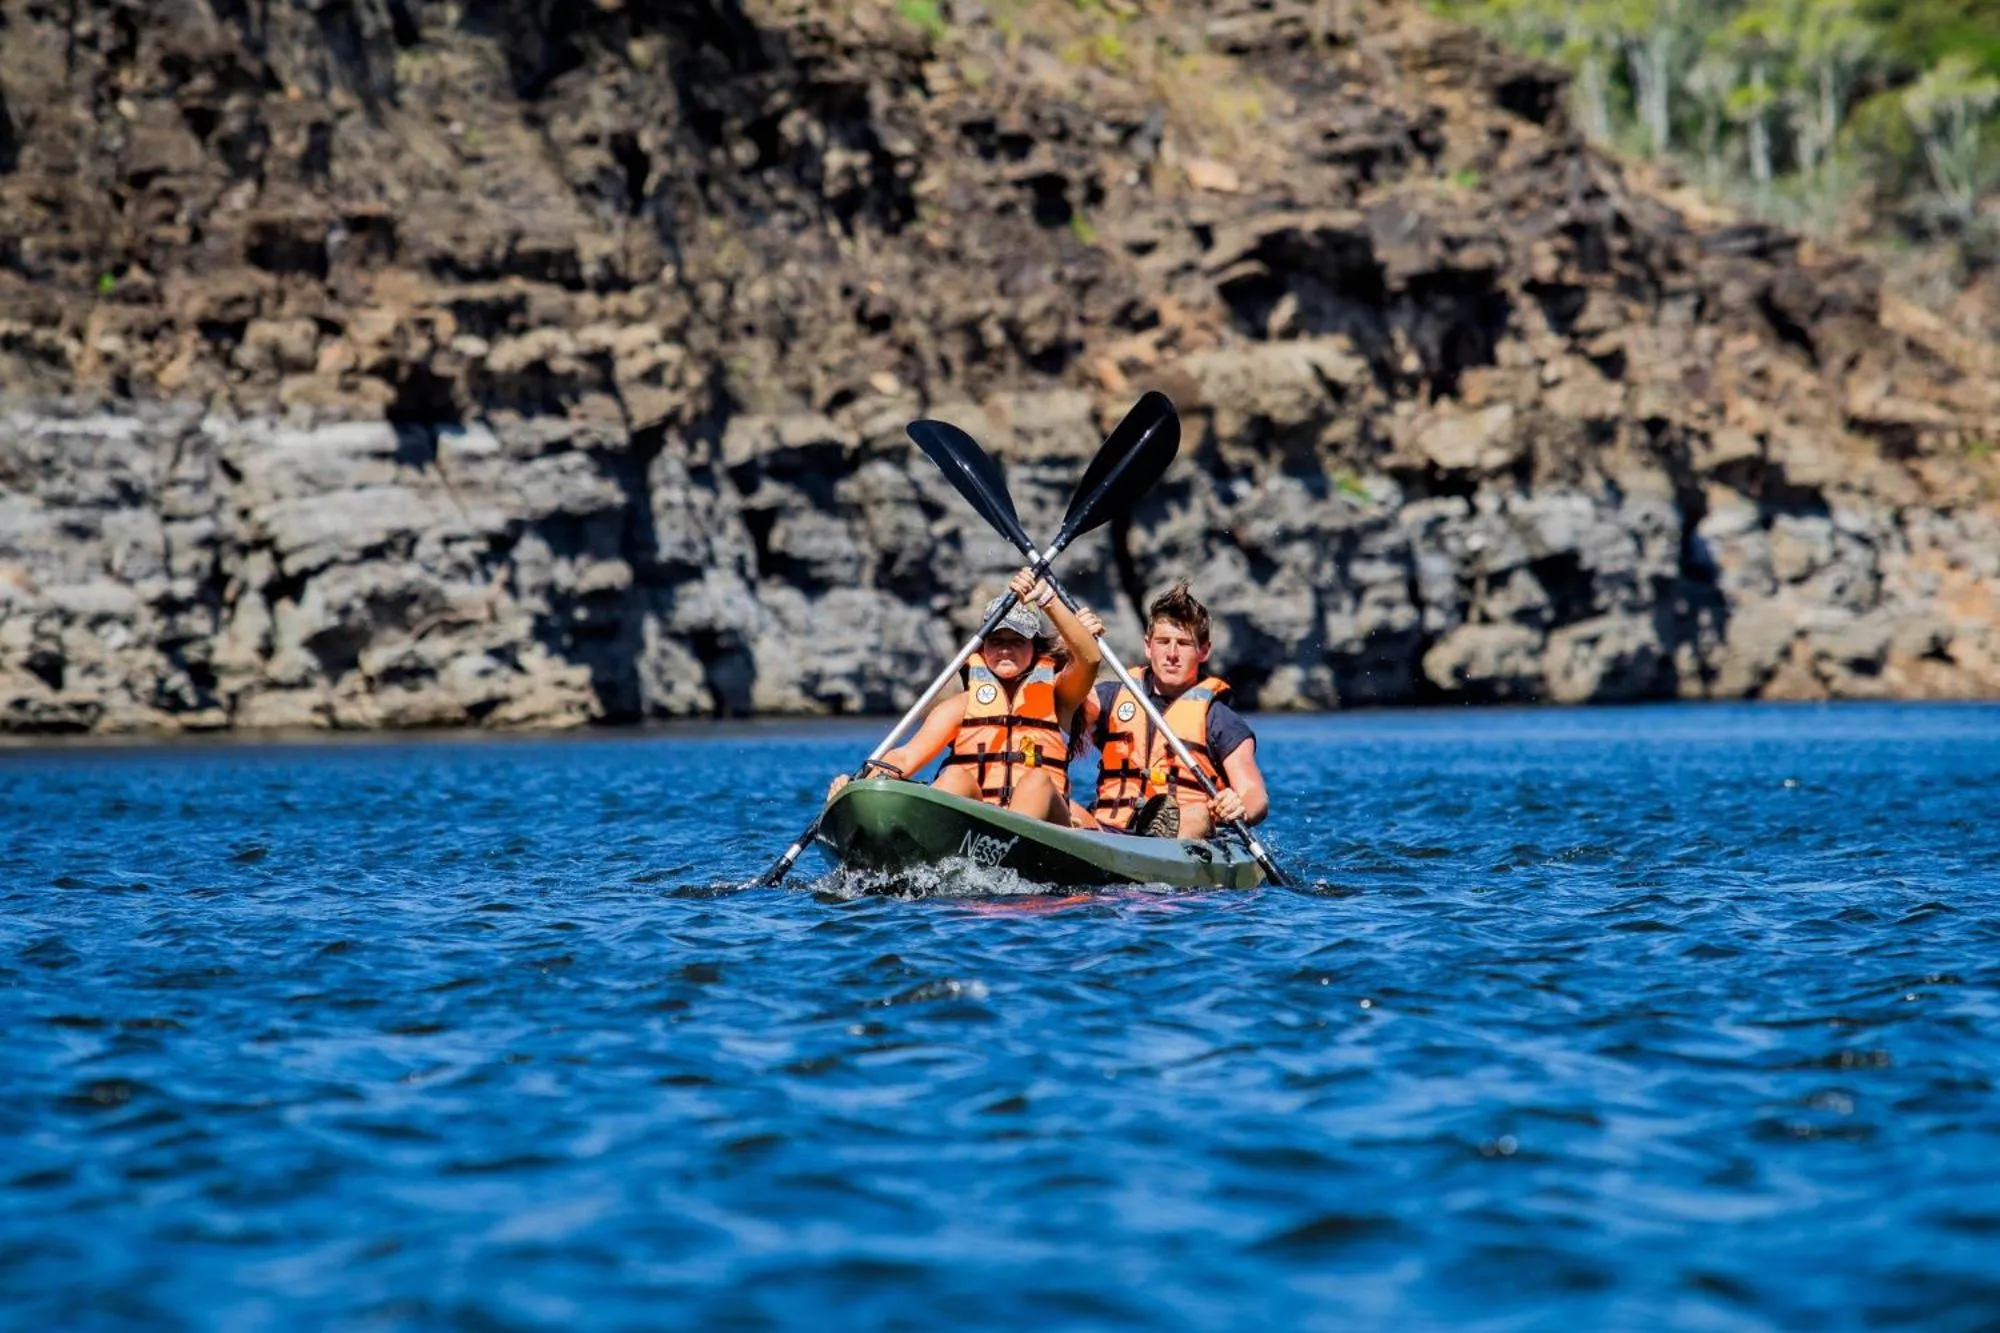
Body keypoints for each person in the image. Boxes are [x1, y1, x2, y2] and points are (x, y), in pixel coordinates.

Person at [827, 567, 1101, 824]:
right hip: (980, 829)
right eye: (996, 641)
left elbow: (1088, 660)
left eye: (1017, 640)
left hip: (1045, 824)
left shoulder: (1059, 698)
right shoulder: (959, 708)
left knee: (1037, 780)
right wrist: (855, 787)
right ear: (981, 649)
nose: (1005, 650)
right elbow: (906, 758)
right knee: (955, 775)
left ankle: (1009, 845)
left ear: (1034, 647)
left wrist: (1047, 598)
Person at [1073, 581, 1269, 840]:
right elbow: (1057, 705)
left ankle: (1158, 846)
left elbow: (1255, 794)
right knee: (1062, 804)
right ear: (1148, 646)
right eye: (1163, 642)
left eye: (1184, 644)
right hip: (1108, 831)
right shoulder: (1109, 698)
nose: (1172, 654)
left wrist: (1240, 806)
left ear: (1204, 650)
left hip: (1183, 837)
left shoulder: (1219, 719)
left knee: (1197, 814)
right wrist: (1075, 640)